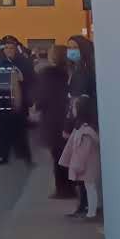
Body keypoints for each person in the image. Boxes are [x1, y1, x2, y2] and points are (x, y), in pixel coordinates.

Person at [34, 45, 76, 199]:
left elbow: (43, 96)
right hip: (69, 117)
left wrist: (36, 105)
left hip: (53, 119)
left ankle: (63, 189)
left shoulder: (48, 74)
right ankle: (72, 185)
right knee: (70, 153)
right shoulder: (72, 72)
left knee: (58, 155)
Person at [0, 36, 34, 166]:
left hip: (20, 102)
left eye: (12, 48)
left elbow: (32, 81)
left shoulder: (24, 63)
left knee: (21, 130)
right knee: (2, 130)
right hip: (2, 102)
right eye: (6, 48)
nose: (9, 50)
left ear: (16, 49)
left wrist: (23, 79)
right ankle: (3, 155)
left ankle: (25, 155)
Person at [59, 95, 101, 221]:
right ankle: (91, 210)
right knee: (90, 187)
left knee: (90, 188)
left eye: (74, 107)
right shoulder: (87, 128)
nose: (72, 110)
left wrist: (77, 166)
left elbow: (82, 152)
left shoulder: (85, 131)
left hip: (86, 166)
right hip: (88, 165)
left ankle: (91, 213)